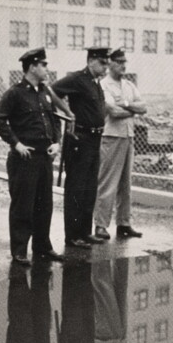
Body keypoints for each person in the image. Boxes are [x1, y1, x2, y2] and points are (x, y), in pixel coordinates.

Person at [0, 48, 68, 266]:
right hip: (25, 158)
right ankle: (19, 250)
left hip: (44, 157)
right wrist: (15, 143)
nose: (46, 68)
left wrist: (56, 142)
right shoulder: (16, 93)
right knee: (23, 206)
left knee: (45, 205)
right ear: (32, 67)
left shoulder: (44, 91)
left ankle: (42, 247)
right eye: (43, 64)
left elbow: (55, 120)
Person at [51, 47, 110, 249]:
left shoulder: (96, 84)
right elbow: (51, 91)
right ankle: (73, 235)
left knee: (90, 188)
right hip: (80, 139)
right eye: (102, 62)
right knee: (76, 188)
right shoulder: (77, 79)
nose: (105, 67)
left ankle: (84, 232)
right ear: (91, 61)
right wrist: (67, 111)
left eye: (106, 63)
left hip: (94, 140)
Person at [93, 49, 146, 241]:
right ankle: (100, 224)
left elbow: (143, 107)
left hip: (128, 136)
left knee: (126, 184)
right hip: (111, 137)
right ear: (110, 64)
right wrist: (131, 109)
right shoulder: (103, 85)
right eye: (119, 62)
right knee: (108, 183)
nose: (123, 65)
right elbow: (113, 112)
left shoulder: (128, 84)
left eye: (125, 62)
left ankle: (123, 223)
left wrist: (125, 105)